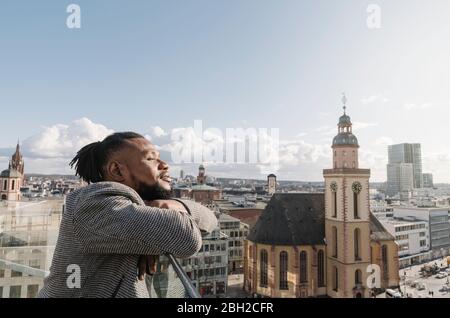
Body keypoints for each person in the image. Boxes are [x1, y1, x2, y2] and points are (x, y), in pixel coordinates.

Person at [38, 132, 218, 298]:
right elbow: (186, 238)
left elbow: (210, 219)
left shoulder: (127, 209)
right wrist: (160, 227)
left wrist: (168, 205)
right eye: (151, 159)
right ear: (117, 171)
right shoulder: (94, 205)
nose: (165, 165)